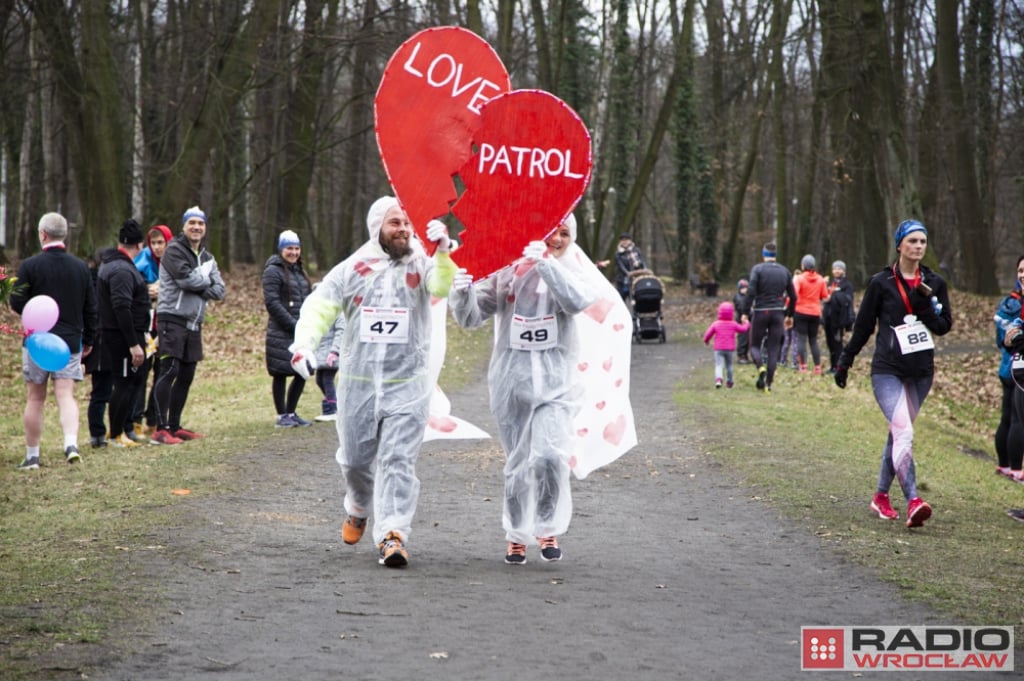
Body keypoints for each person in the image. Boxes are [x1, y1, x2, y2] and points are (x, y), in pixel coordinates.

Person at [450, 215, 636, 565]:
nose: (559, 238)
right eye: (554, 231)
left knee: (551, 456)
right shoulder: (509, 270)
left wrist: (546, 264)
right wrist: (462, 293)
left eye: (566, 233)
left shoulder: (575, 270)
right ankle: (517, 534)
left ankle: (547, 526)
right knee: (518, 462)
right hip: (511, 382)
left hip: (558, 384)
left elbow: (577, 301)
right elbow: (472, 318)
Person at [288, 196, 457, 568]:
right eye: (395, 223)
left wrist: (443, 253)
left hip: (407, 383)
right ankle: (359, 505)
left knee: (398, 459)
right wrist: (303, 346)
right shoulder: (354, 268)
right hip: (359, 384)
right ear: (377, 226)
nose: (403, 230)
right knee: (355, 460)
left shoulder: (421, 263)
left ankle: (393, 534)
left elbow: (442, 287)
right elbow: (320, 306)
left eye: (407, 224)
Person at [834, 219, 952, 528]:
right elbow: (863, 327)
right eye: (912, 241)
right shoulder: (881, 282)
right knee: (904, 431)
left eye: (922, 242)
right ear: (899, 245)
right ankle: (913, 500)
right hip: (887, 370)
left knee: (898, 434)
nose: (918, 247)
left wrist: (926, 310)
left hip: (921, 373)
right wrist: (845, 360)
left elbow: (944, 326)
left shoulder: (934, 283)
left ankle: (880, 496)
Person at [11, 212, 97, 469]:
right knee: (66, 395)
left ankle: (33, 455)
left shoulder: (29, 266)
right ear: (64, 236)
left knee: (35, 398)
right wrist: (89, 339)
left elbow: (16, 301)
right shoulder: (81, 267)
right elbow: (91, 308)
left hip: (37, 342)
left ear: (43, 234)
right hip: (69, 342)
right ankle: (71, 443)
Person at [150, 206, 226, 445]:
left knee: (186, 374)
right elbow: (186, 280)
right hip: (172, 317)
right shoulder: (174, 250)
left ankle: (175, 425)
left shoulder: (207, 257)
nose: (196, 227)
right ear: (184, 226)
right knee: (169, 370)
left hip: (194, 322)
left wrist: (201, 283)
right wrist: (206, 281)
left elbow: (220, 290)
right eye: (192, 223)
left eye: (200, 223)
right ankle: (160, 429)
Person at [96, 219, 152, 448]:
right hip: (122, 337)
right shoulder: (121, 269)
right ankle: (116, 434)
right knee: (123, 383)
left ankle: (126, 429)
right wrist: (133, 344)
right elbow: (121, 307)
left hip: (126, 335)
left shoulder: (116, 265)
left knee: (131, 381)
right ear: (139, 246)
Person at [263, 229, 313, 427]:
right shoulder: (272, 271)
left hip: (300, 331)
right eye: (289, 248)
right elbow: (272, 303)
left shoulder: (300, 271)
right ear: (281, 250)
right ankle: (281, 415)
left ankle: (291, 412)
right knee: (281, 372)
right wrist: (293, 325)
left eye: (296, 248)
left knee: (302, 371)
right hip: (281, 331)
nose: (293, 252)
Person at [129, 224, 173, 438]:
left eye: (160, 243)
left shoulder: (175, 259)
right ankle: (135, 419)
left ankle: (154, 418)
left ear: (168, 242)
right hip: (146, 328)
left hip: (167, 325)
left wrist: (164, 289)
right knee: (142, 372)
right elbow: (132, 287)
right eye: (153, 243)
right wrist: (146, 290)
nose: (157, 247)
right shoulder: (142, 262)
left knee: (162, 372)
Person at [744, 241, 795, 393]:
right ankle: (768, 384)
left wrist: (745, 312)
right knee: (774, 348)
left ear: (763, 255)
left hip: (760, 311)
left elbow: (751, 291)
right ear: (775, 255)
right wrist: (789, 314)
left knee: (754, 345)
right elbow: (794, 296)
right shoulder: (784, 271)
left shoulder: (757, 270)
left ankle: (760, 367)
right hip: (778, 313)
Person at [994, 256, 1024, 479]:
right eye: (1020, 270)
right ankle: (1013, 468)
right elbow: (1004, 339)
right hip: (1013, 368)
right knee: (1013, 419)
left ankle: (1008, 466)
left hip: (1011, 365)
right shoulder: (1012, 303)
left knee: (1012, 417)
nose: (1022, 275)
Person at [792, 255, 829, 374]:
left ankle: (803, 366)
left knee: (802, 339)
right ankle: (817, 367)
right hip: (815, 313)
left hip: (801, 311)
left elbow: (794, 294)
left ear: (803, 266)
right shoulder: (820, 279)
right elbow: (825, 296)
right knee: (813, 340)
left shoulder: (799, 279)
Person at [703, 301, 750, 389]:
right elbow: (742, 329)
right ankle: (730, 382)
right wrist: (747, 323)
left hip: (718, 349)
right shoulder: (733, 324)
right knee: (729, 366)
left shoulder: (716, 324)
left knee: (719, 365)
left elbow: (708, 333)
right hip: (730, 349)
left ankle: (718, 380)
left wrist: (706, 341)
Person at [823, 260, 855, 372]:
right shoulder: (829, 283)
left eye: (839, 269)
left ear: (843, 271)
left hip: (839, 319)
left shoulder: (847, 285)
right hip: (828, 317)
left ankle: (839, 367)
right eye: (835, 268)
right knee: (830, 343)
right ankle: (832, 366)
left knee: (837, 344)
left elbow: (848, 301)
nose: (837, 271)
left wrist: (835, 295)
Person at [313, 311, 345, 422]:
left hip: (332, 354)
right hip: (322, 353)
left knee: (327, 380)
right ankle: (332, 403)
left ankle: (332, 409)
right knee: (319, 380)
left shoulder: (339, 314)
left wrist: (335, 351)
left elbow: (341, 333)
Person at [614, 233, 646, 300]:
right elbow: (621, 266)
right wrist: (629, 274)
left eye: (626, 240)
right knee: (621, 299)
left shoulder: (636, 250)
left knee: (636, 299)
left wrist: (645, 271)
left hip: (636, 279)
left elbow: (642, 261)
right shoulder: (618, 253)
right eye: (622, 240)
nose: (624, 241)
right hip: (623, 280)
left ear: (630, 241)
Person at [733, 279, 752, 362]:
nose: (745, 290)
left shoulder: (748, 297)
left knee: (748, 338)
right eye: (743, 288)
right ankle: (741, 355)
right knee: (742, 338)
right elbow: (741, 308)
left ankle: (745, 354)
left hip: (749, 320)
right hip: (742, 321)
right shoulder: (738, 298)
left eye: (746, 288)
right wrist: (750, 312)